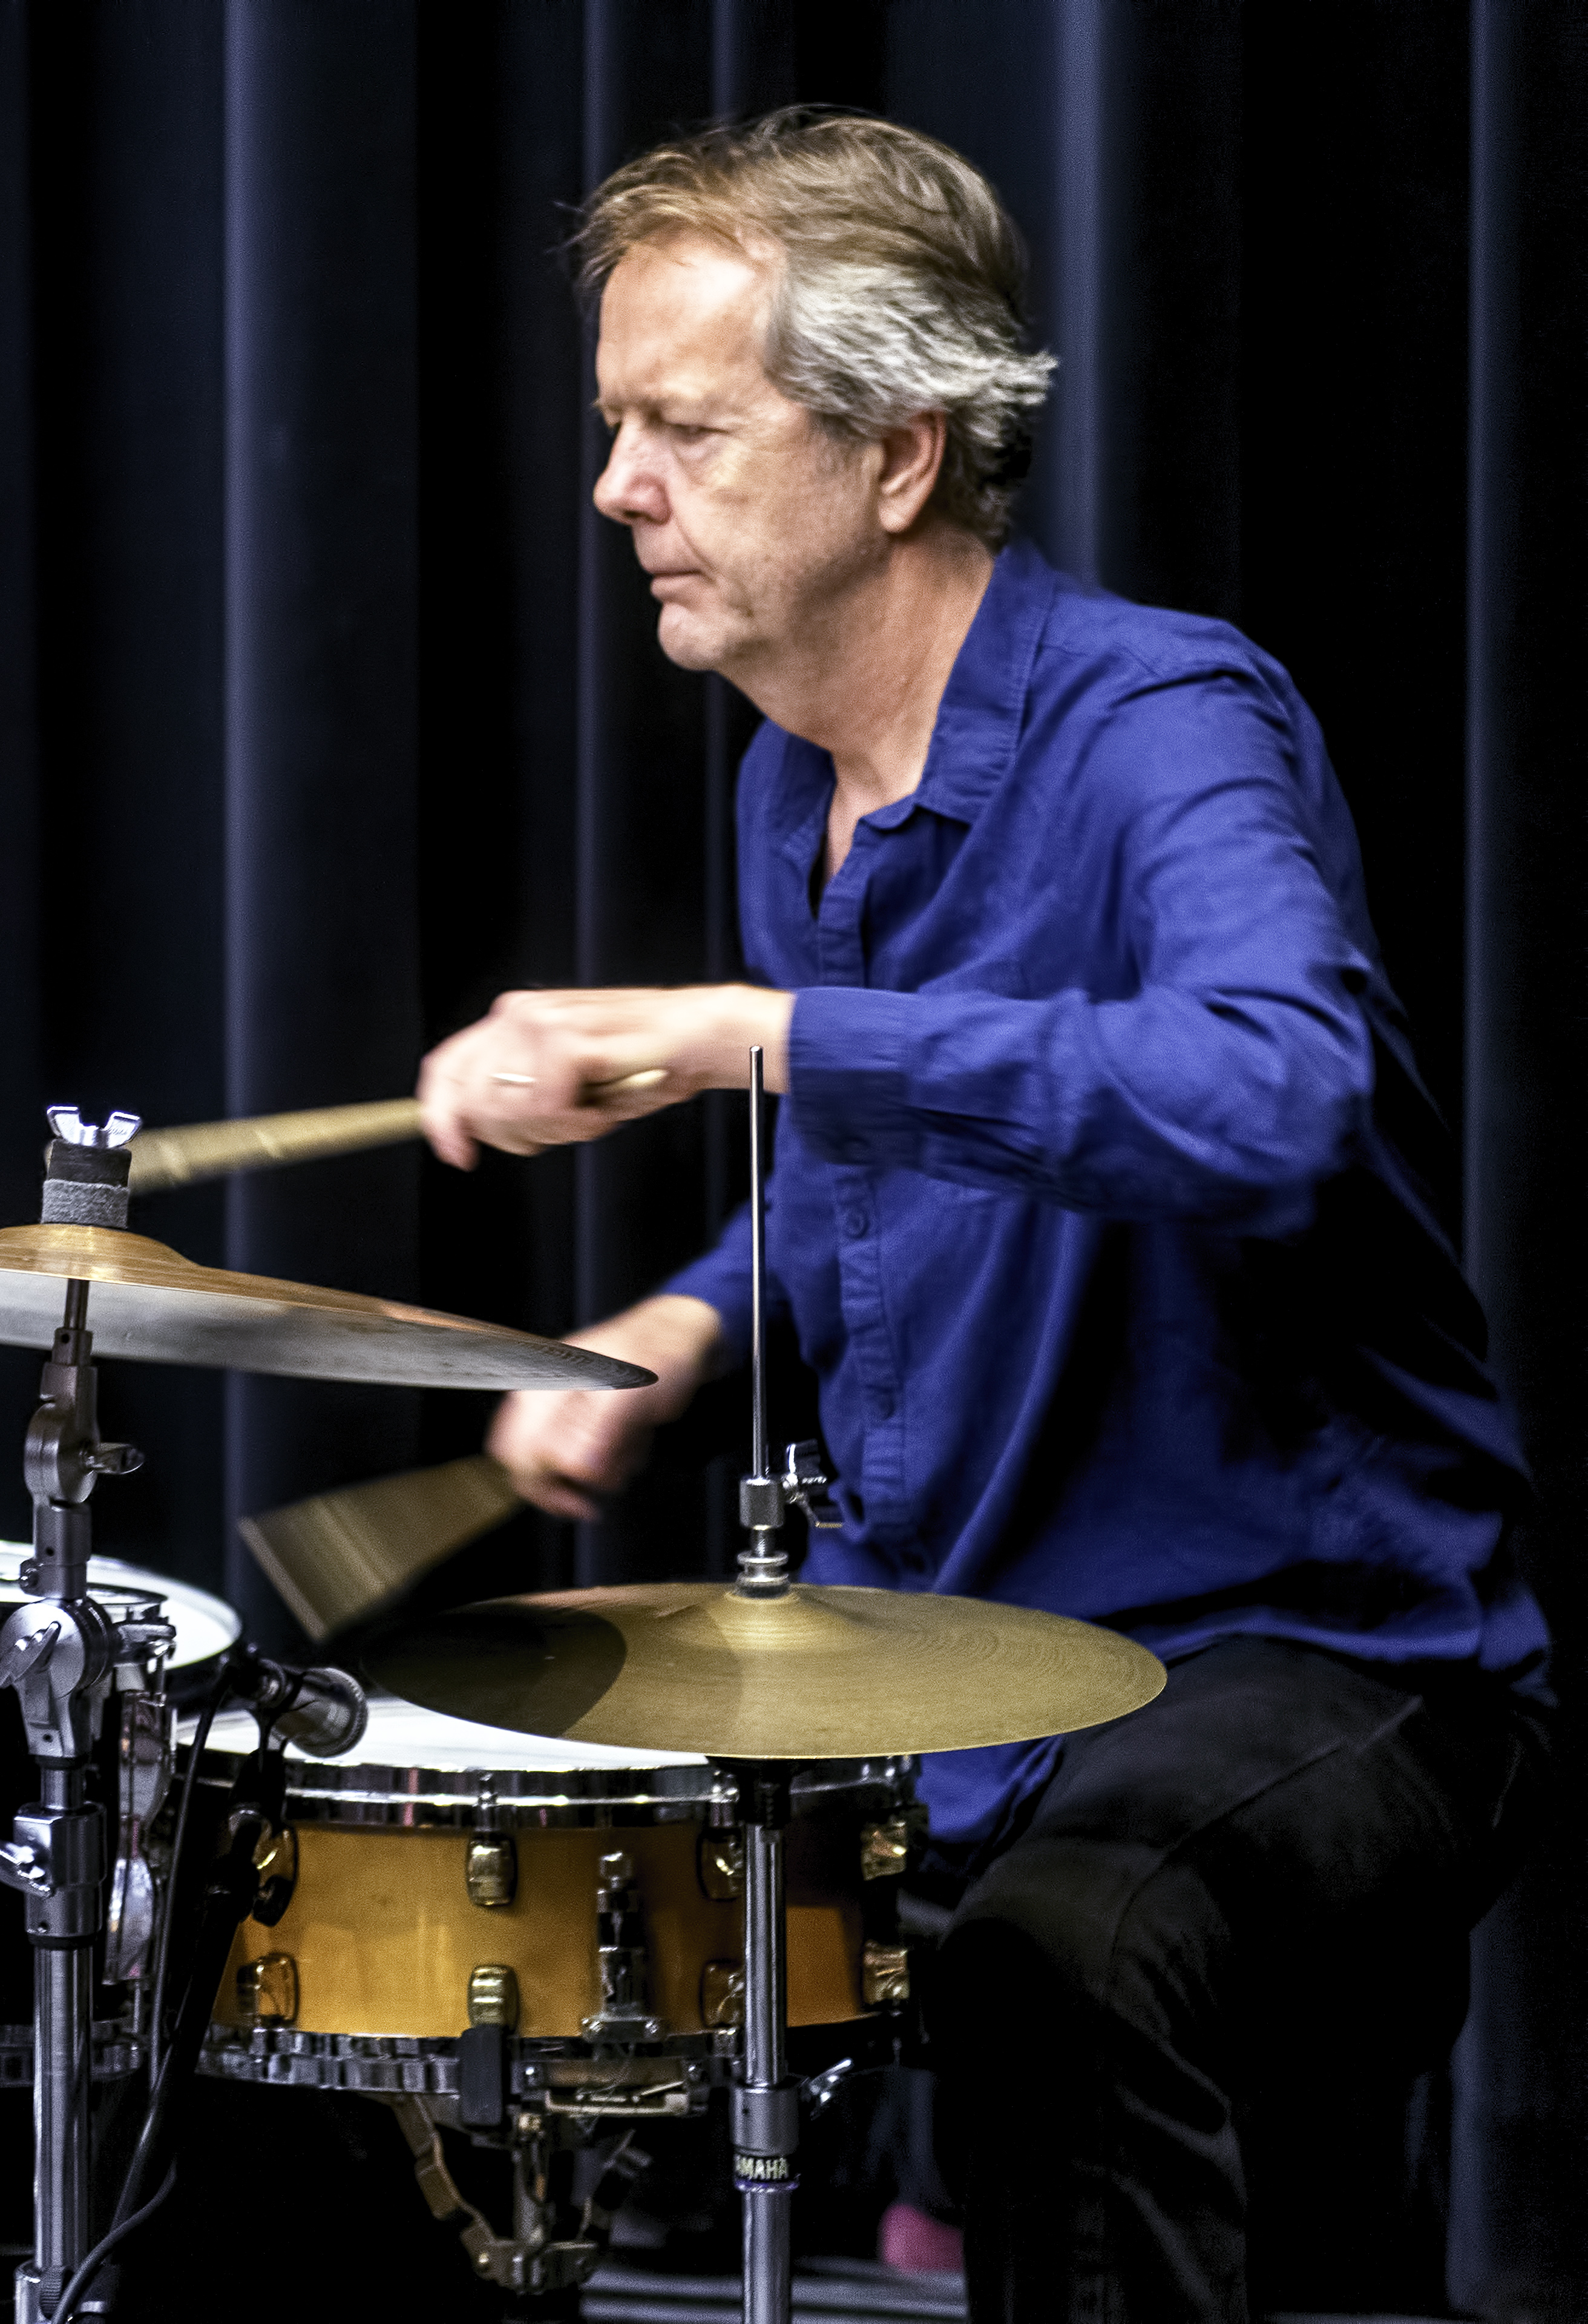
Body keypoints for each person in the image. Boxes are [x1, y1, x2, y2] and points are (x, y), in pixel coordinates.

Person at [415, 110, 1550, 2323]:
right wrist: (691, 1319)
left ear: (901, 457)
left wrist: (759, 1035)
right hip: (965, 1646)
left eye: (687, 429)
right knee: (475, 1885)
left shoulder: (1164, 723)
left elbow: (1274, 1091)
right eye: (616, 426)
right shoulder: (791, 782)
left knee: (1064, 1955)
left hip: (1322, 1651)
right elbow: (895, 1151)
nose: (618, 487)